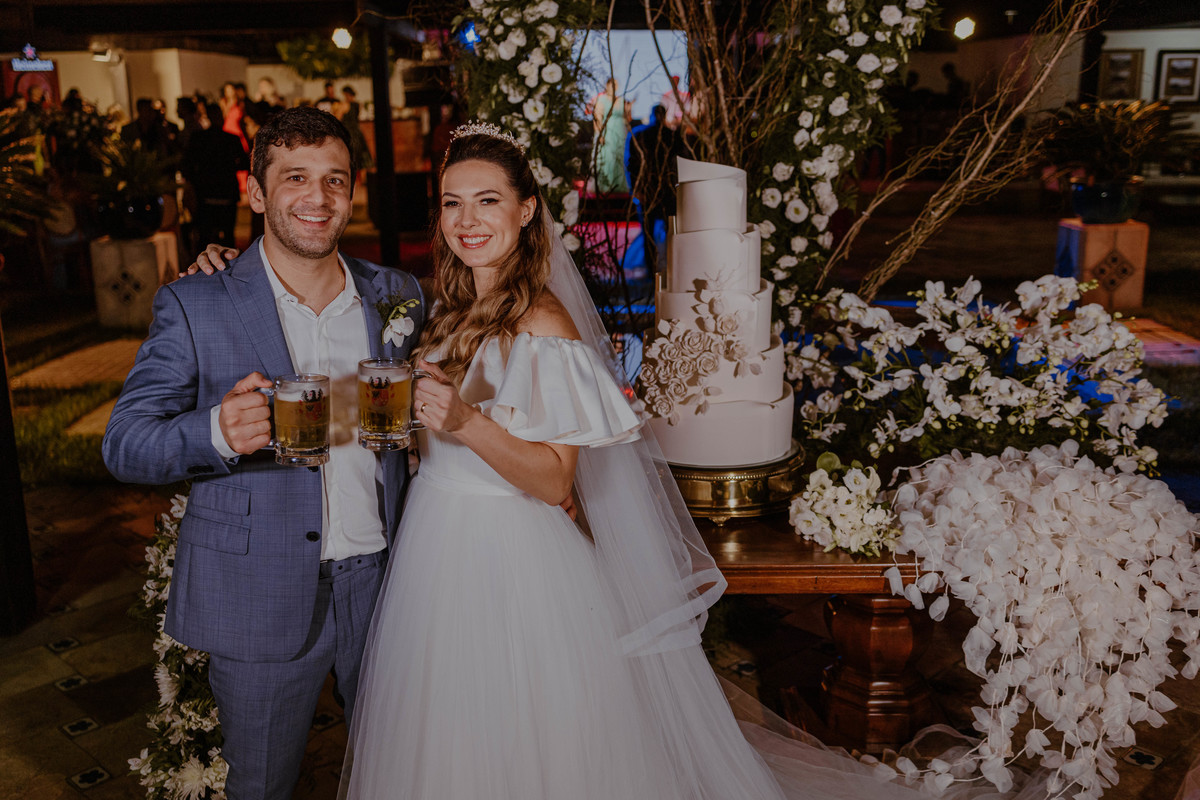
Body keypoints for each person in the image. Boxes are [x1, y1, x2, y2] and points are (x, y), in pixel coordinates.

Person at [335, 122, 951, 800]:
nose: (467, 220)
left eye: (488, 201)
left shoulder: (543, 322)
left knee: (523, 733)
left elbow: (554, 478)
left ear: (527, 209)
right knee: (449, 732)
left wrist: (463, 420)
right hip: (437, 538)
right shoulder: (451, 310)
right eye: (453, 203)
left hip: (509, 556)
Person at [102, 106, 426, 800]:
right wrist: (216, 431)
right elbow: (124, 444)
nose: (318, 197)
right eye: (295, 178)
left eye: (335, 179)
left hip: (384, 586)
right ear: (254, 191)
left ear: (353, 191)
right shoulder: (197, 303)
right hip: (259, 590)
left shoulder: (396, 295)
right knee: (262, 785)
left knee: (399, 773)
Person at [180, 100, 249, 249]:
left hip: (206, 193)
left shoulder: (199, 138)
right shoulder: (230, 139)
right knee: (227, 237)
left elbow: (187, 165)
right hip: (225, 193)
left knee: (206, 238)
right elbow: (244, 163)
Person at [590, 77, 631, 193]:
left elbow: (626, 118)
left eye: (616, 84)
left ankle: (619, 185)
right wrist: (599, 134)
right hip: (607, 132)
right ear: (607, 85)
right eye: (612, 84)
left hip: (620, 132)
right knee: (608, 157)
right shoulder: (602, 99)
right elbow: (597, 118)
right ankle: (605, 186)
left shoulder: (621, 100)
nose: (614, 87)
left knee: (620, 158)